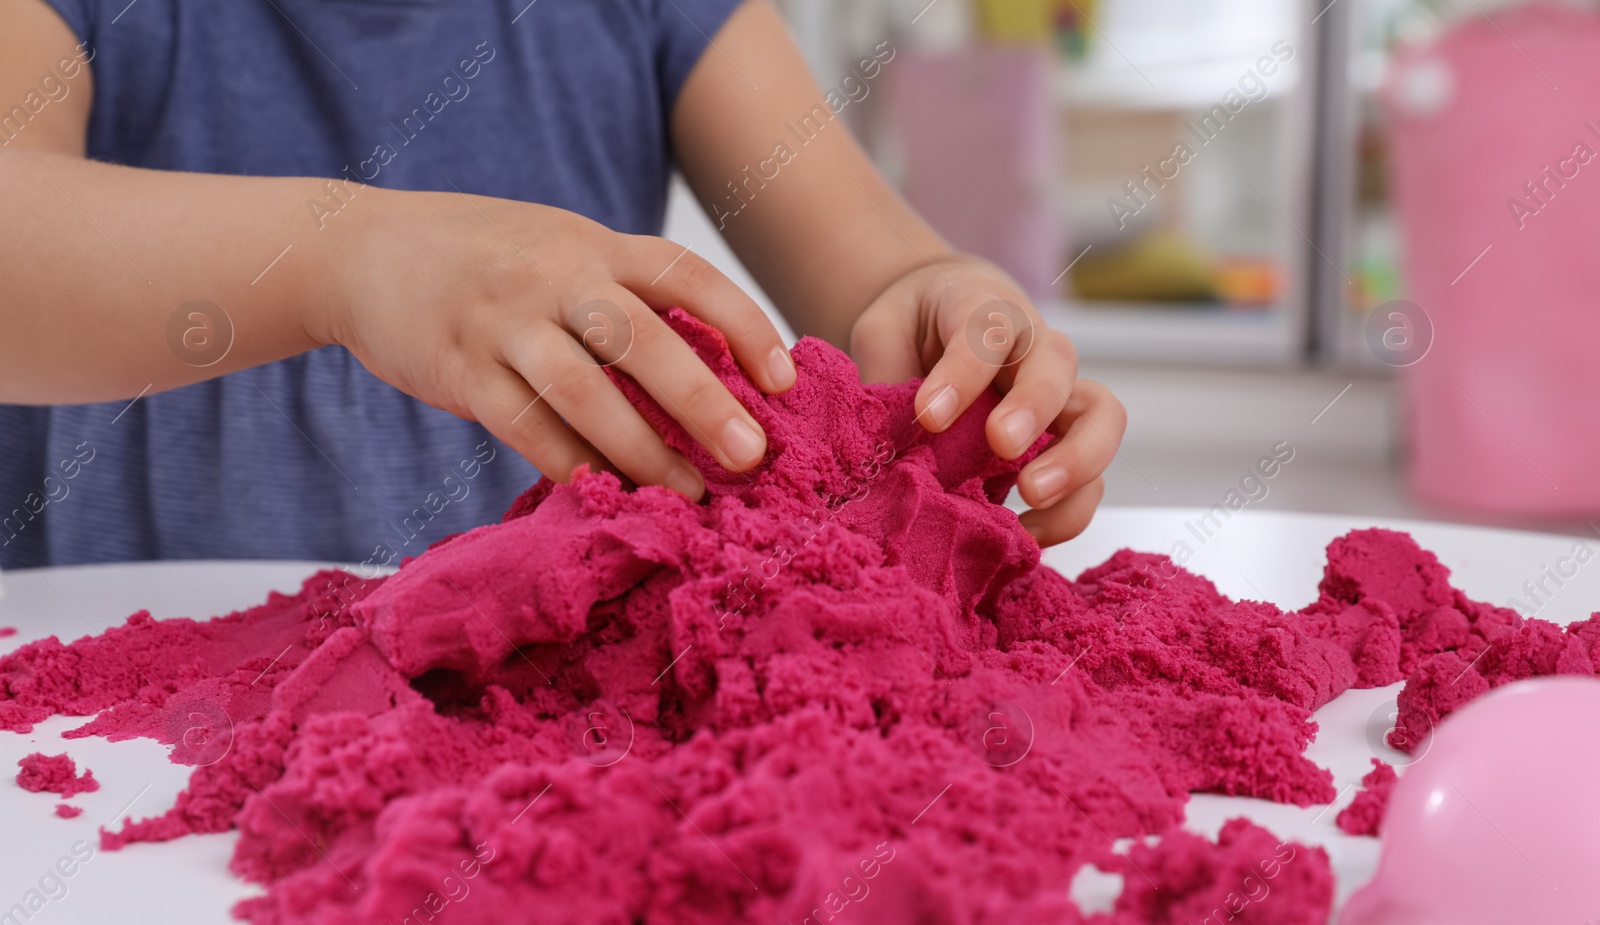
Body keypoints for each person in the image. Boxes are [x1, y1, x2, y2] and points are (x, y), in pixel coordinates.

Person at [0, 0, 1124, 570]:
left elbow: (883, 274)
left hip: (559, 732)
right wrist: (347, 256)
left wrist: (947, 303)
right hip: (120, 732)